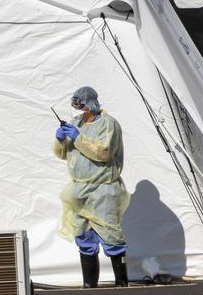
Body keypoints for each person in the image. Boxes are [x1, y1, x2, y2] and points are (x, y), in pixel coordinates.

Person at [52, 86, 130, 288]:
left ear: (91, 104)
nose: (79, 110)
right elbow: (64, 154)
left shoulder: (108, 124)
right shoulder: (76, 123)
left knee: (111, 236)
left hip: (103, 189)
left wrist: (78, 138)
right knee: (83, 236)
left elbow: (103, 153)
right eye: (76, 106)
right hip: (79, 191)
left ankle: (122, 284)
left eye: (82, 105)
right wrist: (60, 141)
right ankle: (89, 286)